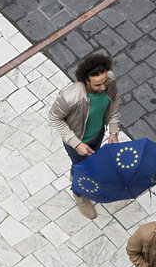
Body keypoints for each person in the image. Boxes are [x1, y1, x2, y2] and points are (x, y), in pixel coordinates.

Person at [49, 54, 120, 219]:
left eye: (104, 82)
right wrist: (76, 144)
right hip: (78, 142)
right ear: (86, 81)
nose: (103, 87)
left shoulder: (110, 81)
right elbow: (54, 118)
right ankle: (79, 194)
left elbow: (115, 102)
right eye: (97, 84)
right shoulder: (69, 98)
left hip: (97, 134)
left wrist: (113, 131)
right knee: (80, 167)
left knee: (92, 163)